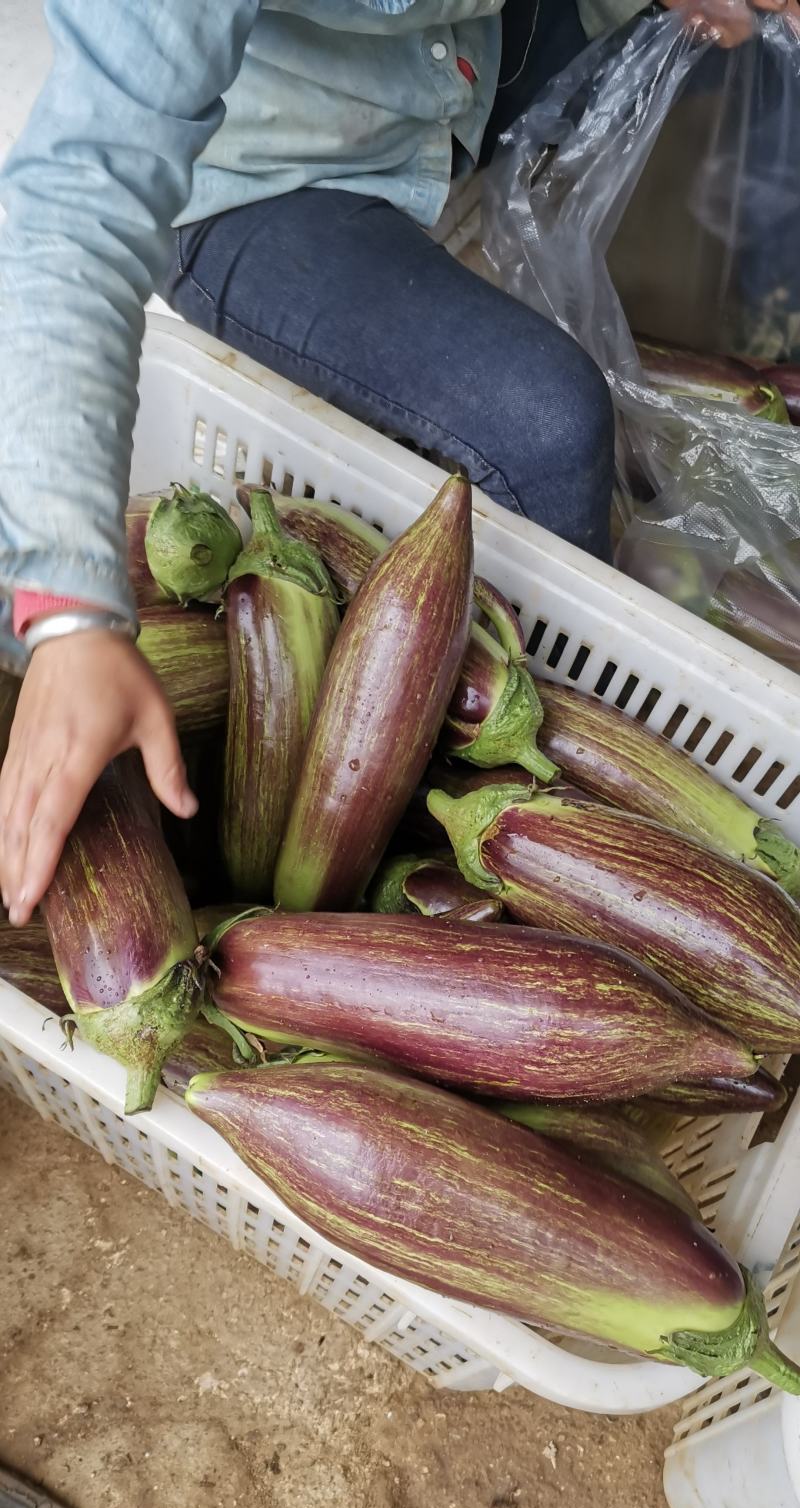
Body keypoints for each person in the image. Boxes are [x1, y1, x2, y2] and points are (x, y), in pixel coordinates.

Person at [0, 0, 794, 927]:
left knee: (694, 67)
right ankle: (570, 857)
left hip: (461, 59)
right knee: (546, 431)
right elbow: (73, 213)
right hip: (261, 179)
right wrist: (67, 616)